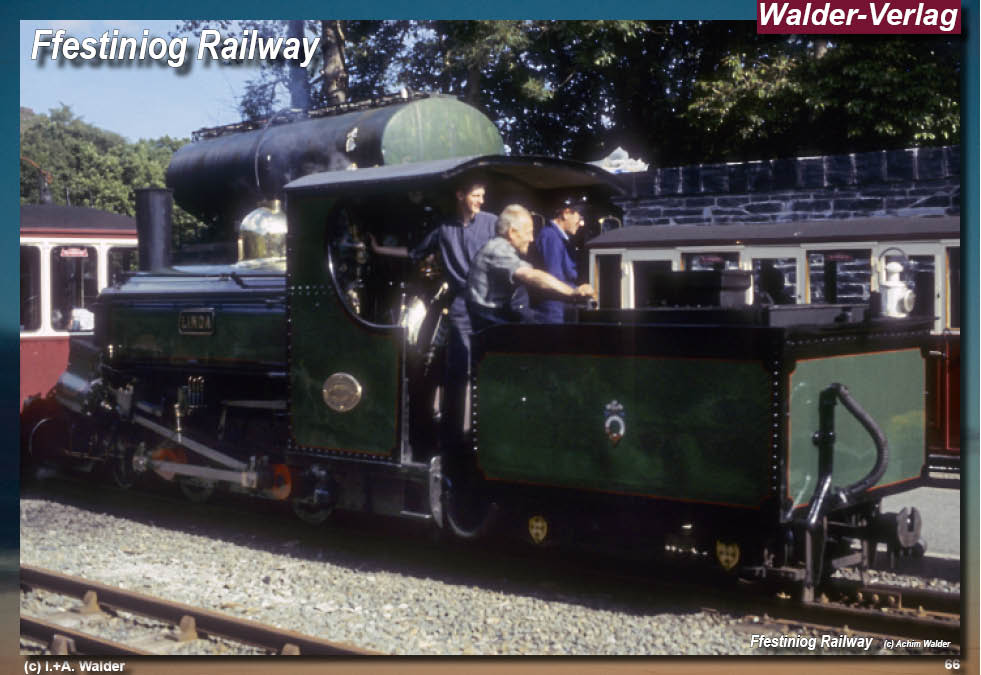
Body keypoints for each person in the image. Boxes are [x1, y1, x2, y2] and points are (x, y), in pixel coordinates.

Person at [468, 204, 594, 332]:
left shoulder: (502, 249)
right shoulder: (498, 250)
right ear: (512, 232)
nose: (531, 239)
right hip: (490, 327)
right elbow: (531, 276)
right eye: (528, 233)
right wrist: (572, 292)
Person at [533, 198, 586, 323]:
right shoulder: (550, 237)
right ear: (566, 213)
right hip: (553, 313)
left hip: (561, 309)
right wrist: (578, 291)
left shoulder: (559, 238)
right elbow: (553, 279)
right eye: (580, 217)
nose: (582, 223)